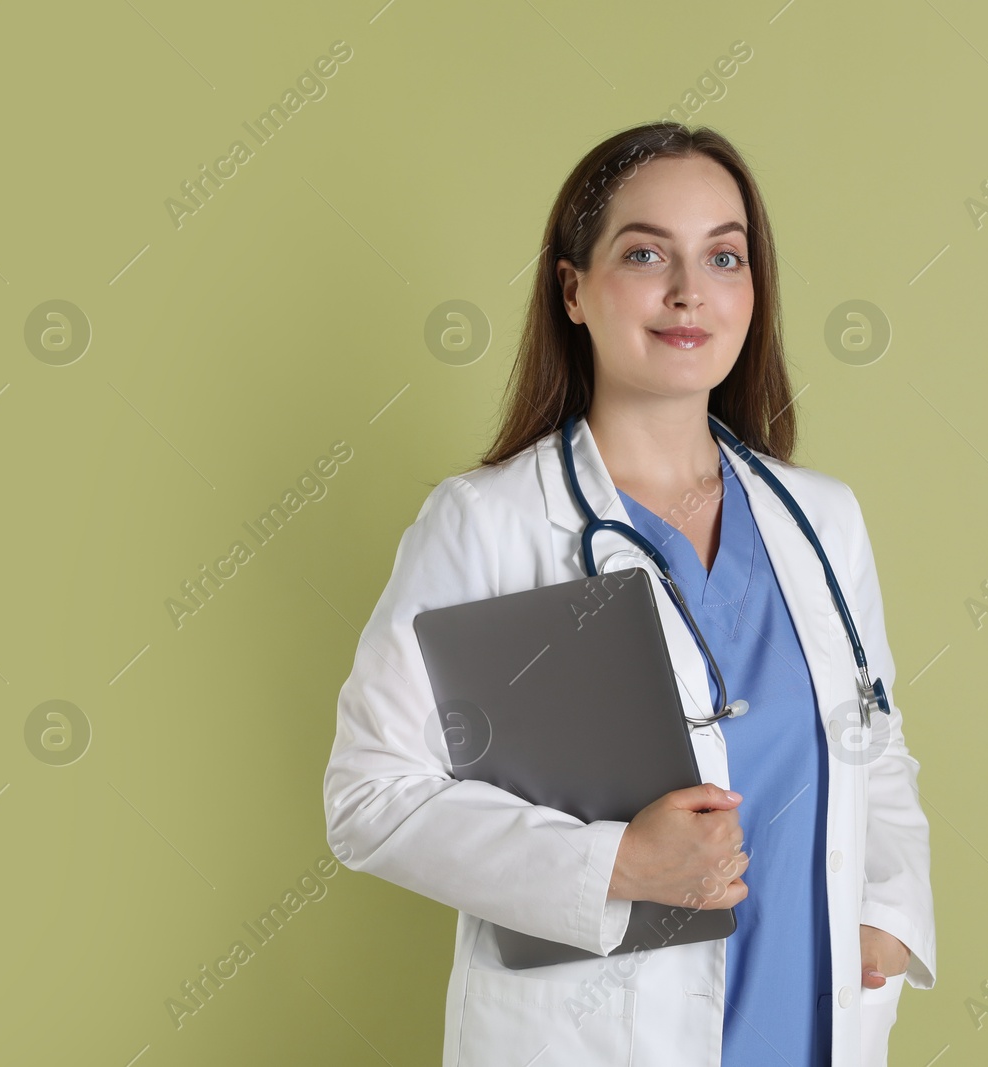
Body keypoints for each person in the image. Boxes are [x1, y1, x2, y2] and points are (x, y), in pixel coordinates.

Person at [322, 120, 935, 1067]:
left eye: (724, 257)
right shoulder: (487, 524)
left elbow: (875, 740)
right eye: (646, 252)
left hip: (807, 1028)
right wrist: (616, 865)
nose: (689, 291)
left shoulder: (822, 518)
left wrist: (890, 914)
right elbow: (371, 795)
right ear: (574, 288)